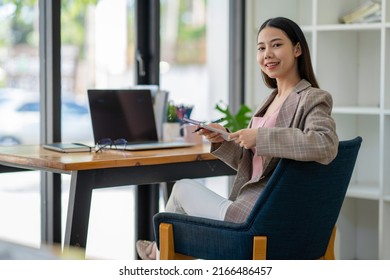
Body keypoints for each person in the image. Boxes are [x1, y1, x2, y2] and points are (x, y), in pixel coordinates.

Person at [136, 16, 339, 260]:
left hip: (262, 217)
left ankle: (157, 255)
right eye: (261, 48)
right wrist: (222, 140)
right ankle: (159, 254)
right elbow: (253, 167)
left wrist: (261, 137)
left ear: (297, 49)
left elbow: (325, 144)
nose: (268, 54)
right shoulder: (269, 102)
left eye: (276, 45)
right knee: (179, 213)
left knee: (180, 189)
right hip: (253, 208)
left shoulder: (312, 97)